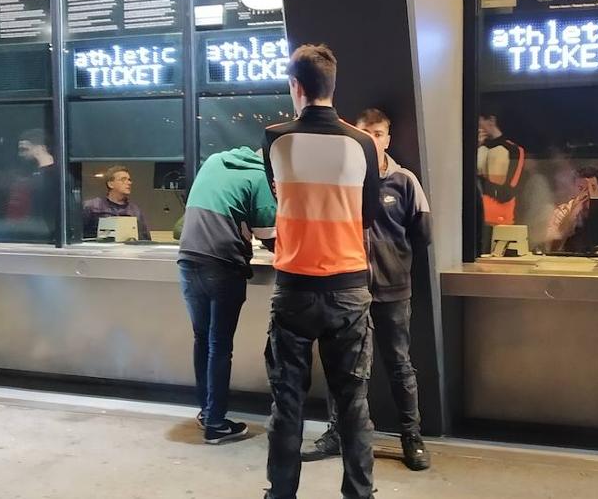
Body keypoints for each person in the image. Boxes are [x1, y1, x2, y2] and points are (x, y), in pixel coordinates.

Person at [263, 44, 380, 499]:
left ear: (296, 86)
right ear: (333, 85)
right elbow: (367, 215)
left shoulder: (276, 138)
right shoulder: (362, 143)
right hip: (349, 288)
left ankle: (281, 494)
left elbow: (279, 196)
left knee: (287, 404)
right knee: (353, 405)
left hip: (294, 287)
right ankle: (359, 495)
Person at [302, 108, 432, 471]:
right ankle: (337, 433)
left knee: (399, 365)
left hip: (393, 292)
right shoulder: (340, 179)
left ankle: (411, 437)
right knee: (343, 367)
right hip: (346, 291)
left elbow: (423, 234)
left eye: (378, 133)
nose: (372, 140)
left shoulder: (405, 181)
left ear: (388, 139)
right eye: (365, 132)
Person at [178, 146, 277, 444]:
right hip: (222, 265)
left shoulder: (215, 160)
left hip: (188, 258)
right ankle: (216, 424)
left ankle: (207, 412)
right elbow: (269, 233)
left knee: (202, 338)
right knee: (219, 345)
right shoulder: (259, 175)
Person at [477, 114, 524, 234]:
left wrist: (480, 180)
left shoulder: (512, 150)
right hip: (477, 218)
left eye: (479, 122)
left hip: (501, 220)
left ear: (491, 120)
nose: (477, 127)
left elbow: (506, 191)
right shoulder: (480, 147)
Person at [7, 128, 58, 239]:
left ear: (40, 148)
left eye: (24, 149)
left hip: (44, 233)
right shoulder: (32, 173)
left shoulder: (56, 175)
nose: (20, 154)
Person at [545, 167, 598, 253]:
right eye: (581, 189)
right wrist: (572, 215)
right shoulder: (562, 212)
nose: (588, 194)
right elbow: (552, 248)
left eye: (593, 188)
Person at [82, 165, 150, 240]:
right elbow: (76, 235)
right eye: (123, 179)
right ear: (110, 184)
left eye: (129, 180)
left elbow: (145, 239)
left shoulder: (135, 211)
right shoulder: (92, 207)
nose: (129, 183)